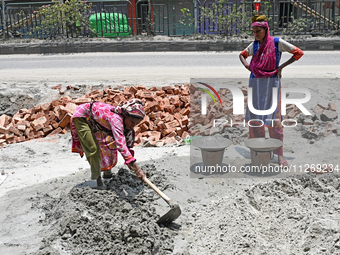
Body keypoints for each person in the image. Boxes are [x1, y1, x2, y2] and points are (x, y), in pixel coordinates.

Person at [239, 15, 304, 167]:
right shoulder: (254, 45)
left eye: (258, 31)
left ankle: (279, 155)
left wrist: (281, 67)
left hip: (272, 84)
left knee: (275, 121)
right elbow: (242, 55)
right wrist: (248, 66)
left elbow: (298, 53)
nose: (255, 34)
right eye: (254, 32)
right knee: (256, 121)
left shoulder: (276, 42)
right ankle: (260, 151)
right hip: (255, 84)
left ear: (266, 29)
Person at [70, 98, 146, 189]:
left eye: (136, 123)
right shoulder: (116, 119)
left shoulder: (127, 125)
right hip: (83, 116)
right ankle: (98, 181)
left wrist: (131, 164)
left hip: (98, 122)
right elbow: (121, 145)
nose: (133, 125)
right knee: (93, 149)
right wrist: (137, 168)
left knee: (108, 144)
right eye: (132, 122)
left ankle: (107, 173)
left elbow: (127, 146)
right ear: (125, 115)